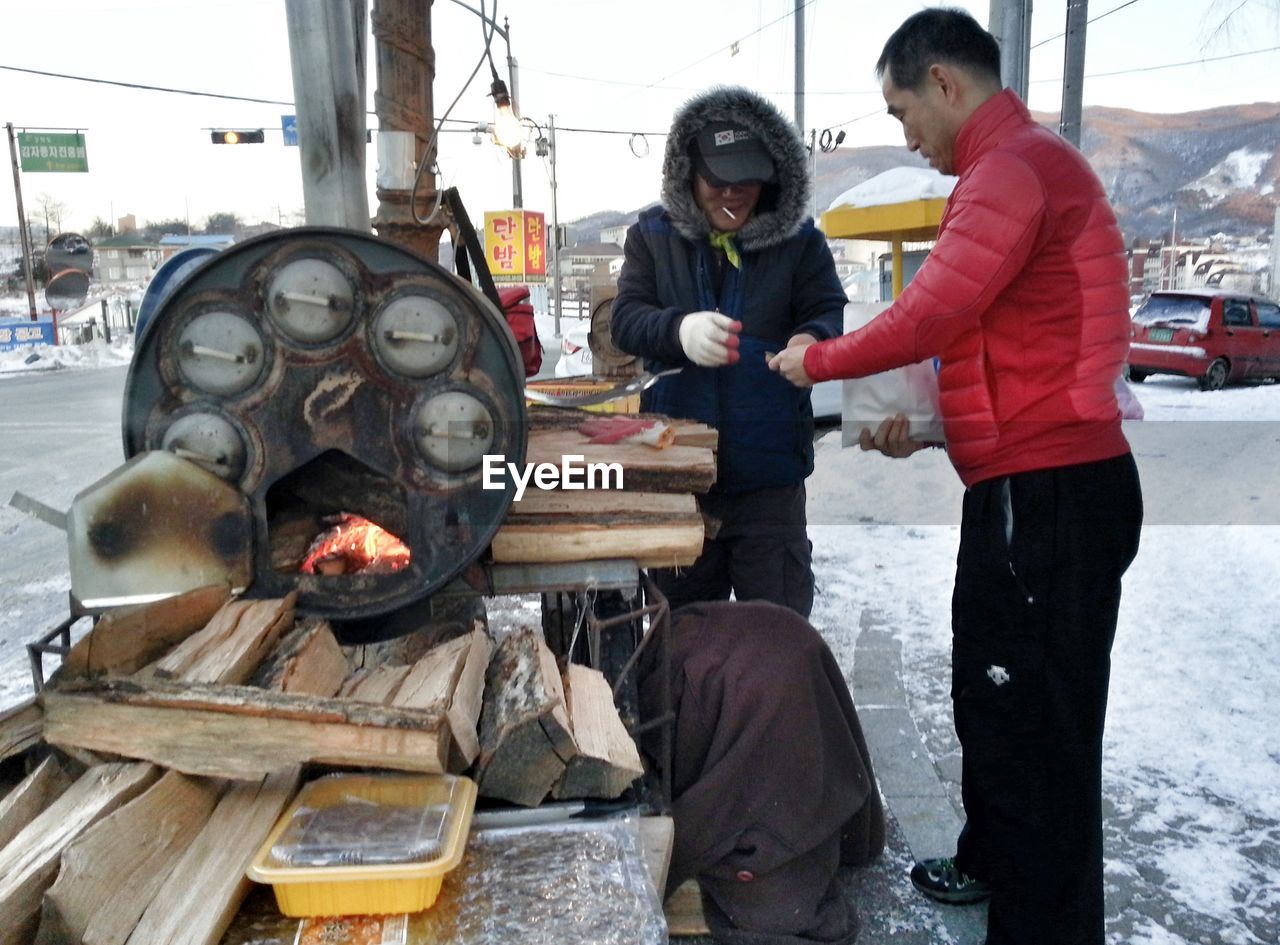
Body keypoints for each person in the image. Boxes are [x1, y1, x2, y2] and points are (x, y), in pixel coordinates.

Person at [770, 9, 1143, 945]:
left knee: (1041, 726)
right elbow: (1004, 346)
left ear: (943, 81)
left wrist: (817, 364)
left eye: (901, 112)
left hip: (1052, 497)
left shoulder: (1011, 168)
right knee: (991, 689)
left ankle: (1045, 925)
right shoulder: (1010, 168)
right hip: (1027, 488)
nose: (906, 136)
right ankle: (992, 860)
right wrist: (930, 425)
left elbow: (930, 315)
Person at [611, 85, 846, 618]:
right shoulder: (651, 236)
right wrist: (678, 331)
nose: (734, 194)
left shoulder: (800, 242)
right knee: (684, 639)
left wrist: (811, 340)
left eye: (749, 180)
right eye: (718, 180)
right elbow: (625, 321)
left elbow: (826, 309)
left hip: (770, 483)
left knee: (780, 633)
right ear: (688, 173)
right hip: (680, 474)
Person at [638, 599, 885, 945]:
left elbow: (704, 820)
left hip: (772, 689)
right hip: (783, 656)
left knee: (771, 900)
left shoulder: (684, 681)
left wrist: (650, 879)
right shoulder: (672, 650)